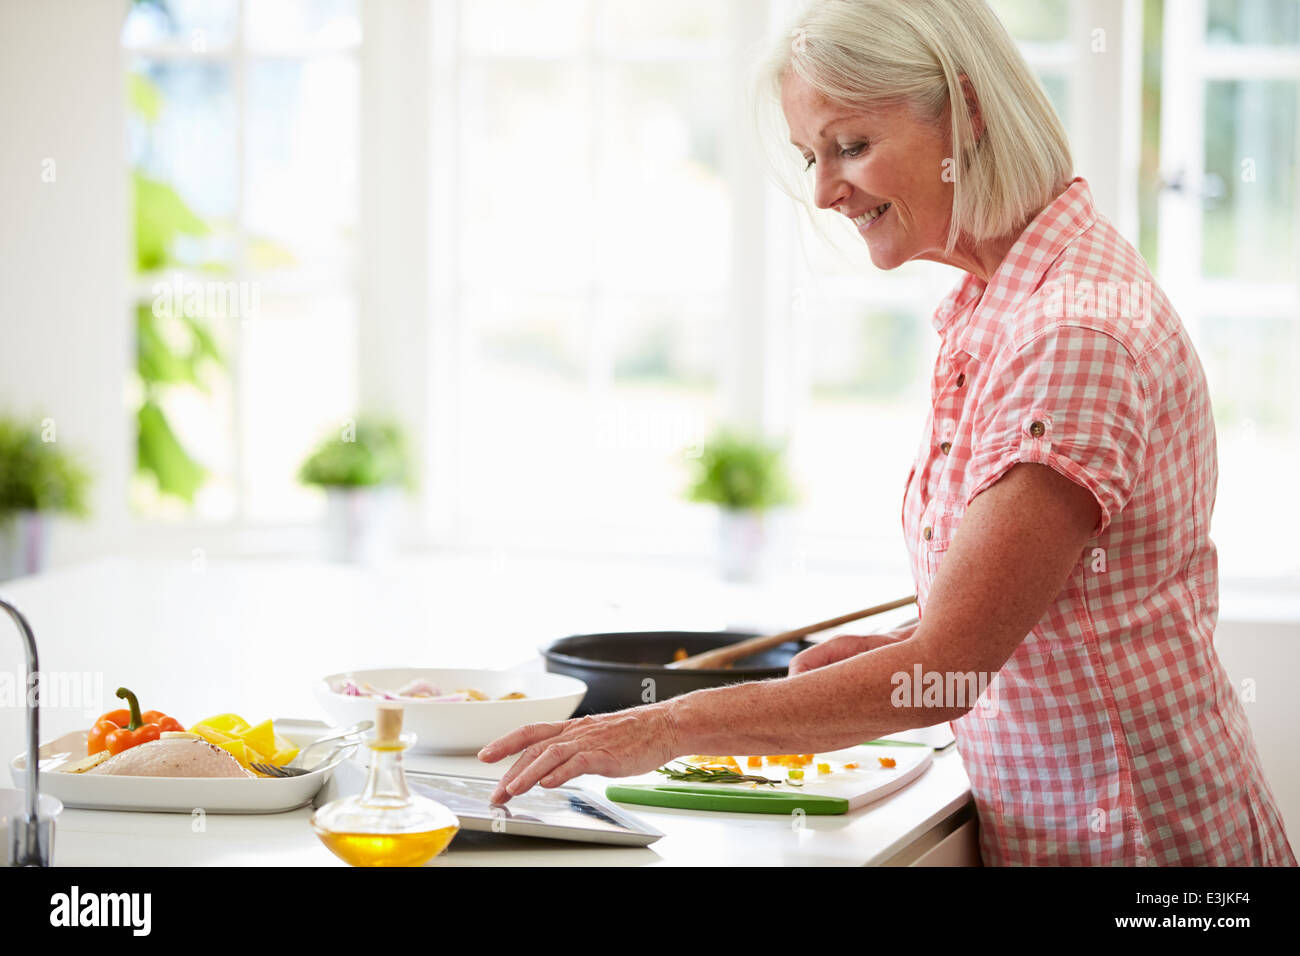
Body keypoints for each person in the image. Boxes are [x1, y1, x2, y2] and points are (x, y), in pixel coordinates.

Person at [478, 0, 1296, 866]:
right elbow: (1039, 617)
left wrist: (659, 729)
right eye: (810, 158)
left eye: (851, 147)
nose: (826, 192)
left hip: (1144, 850)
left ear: (967, 112)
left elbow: (955, 665)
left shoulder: (1067, 334)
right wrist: (900, 646)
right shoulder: (1009, 299)